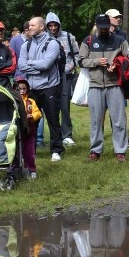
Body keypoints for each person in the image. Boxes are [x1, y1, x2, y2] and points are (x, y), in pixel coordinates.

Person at [79, 14, 129, 162]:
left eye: (106, 27)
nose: (104, 30)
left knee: (119, 119)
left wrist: (117, 64)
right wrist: (96, 62)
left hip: (115, 85)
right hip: (95, 86)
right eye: (101, 28)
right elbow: (81, 61)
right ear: (96, 25)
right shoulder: (88, 41)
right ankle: (95, 150)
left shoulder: (120, 41)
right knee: (96, 120)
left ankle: (120, 151)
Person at [18, 16, 64, 162]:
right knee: (30, 120)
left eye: (32, 25)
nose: (29, 27)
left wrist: (31, 64)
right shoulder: (26, 44)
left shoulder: (53, 43)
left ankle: (56, 150)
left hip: (50, 87)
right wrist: (37, 67)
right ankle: (30, 151)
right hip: (32, 88)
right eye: (29, 25)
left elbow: (46, 65)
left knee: (53, 120)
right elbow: (21, 65)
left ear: (41, 27)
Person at [46, 12, 81, 147]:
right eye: (50, 26)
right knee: (51, 107)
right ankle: (55, 136)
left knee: (65, 106)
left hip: (67, 75)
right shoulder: (44, 38)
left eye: (55, 25)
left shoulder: (68, 36)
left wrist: (72, 65)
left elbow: (77, 55)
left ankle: (67, 134)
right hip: (50, 77)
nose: (53, 28)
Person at [15, 77, 41, 178]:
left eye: (24, 89)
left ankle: (31, 169)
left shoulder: (31, 101)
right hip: (16, 131)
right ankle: (15, 169)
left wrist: (32, 116)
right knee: (15, 151)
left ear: (27, 89)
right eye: (19, 89)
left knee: (29, 151)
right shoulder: (13, 101)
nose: (21, 91)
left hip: (29, 130)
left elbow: (38, 113)